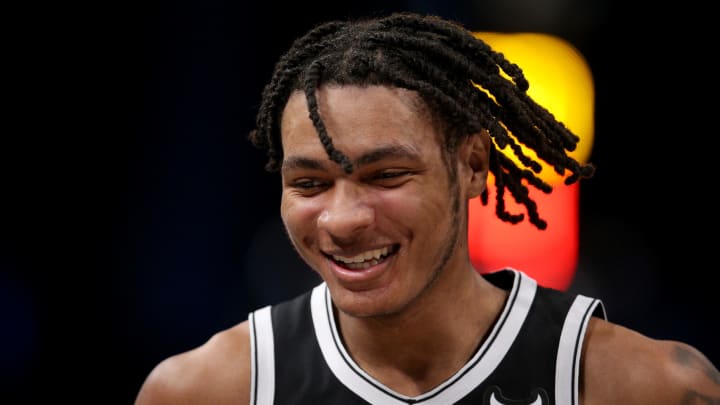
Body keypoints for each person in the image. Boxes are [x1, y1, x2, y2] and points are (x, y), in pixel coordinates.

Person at [135, 11, 719, 404]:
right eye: (309, 184)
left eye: (386, 175)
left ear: (472, 166)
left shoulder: (644, 387)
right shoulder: (206, 389)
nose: (342, 219)